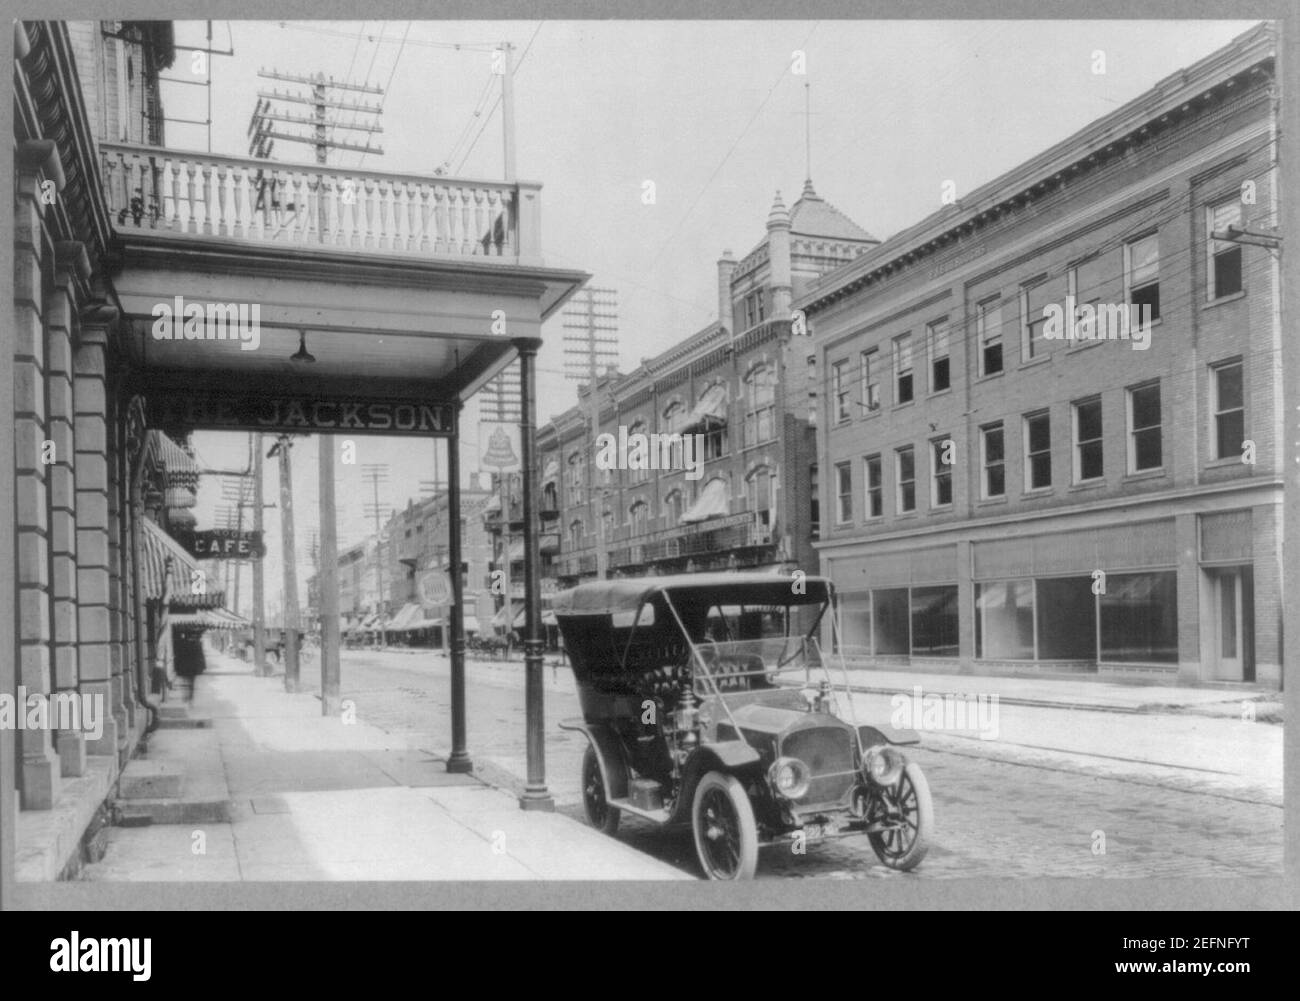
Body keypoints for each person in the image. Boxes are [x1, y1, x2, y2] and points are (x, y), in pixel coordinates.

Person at [173, 628, 208, 703]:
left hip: (184, 667)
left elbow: (178, 656)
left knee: (184, 682)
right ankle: (190, 697)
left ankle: (186, 696)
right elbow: (200, 656)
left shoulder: (182, 644)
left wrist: (176, 667)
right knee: (191, 682)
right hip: (192, 667)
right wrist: (203, 666)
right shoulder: (197, 644)